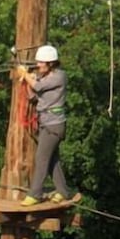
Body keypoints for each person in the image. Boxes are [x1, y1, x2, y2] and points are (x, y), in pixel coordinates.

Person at [16, 45, 75, 206]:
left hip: (54, 125)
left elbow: (38, 87)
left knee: (41, 158)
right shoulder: (43, 77)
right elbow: (33, 95)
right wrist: (27, 80)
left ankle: (35, 193)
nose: (38, 65)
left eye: (41, 62)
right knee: (52, 160)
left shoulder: (59, 76)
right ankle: (63, 191)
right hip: (46, 123)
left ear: (51, 63)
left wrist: (26, 75)